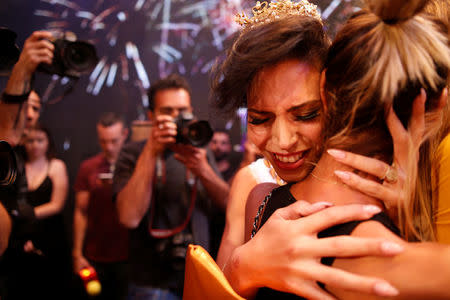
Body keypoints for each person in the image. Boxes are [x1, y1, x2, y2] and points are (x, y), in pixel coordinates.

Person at [235, 0, 450, 298]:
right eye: (260, 118)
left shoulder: (261, 203)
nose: (282, 141)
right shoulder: (368, 250)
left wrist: (407, 220)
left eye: (304, 114)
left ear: (324, 88)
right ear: (437, 106)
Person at [113, 74, 229, 299]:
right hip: (151, 282)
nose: (177, 118)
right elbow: (128, 217)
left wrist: (202, 168)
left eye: (183, 111)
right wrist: (151, 151)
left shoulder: (200, 151)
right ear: (151, 116)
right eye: (167, 112)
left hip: (200, 276)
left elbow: (228, 204)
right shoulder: (133, 153)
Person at [73, 112, 129, 300]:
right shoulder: (89, 167)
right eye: (103, 141)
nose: (109, 147)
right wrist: (77, 252)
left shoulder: (136, 166)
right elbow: (81, 211)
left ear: (125, 135)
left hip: (130, 256)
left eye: (114, 140)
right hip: (95, 254)